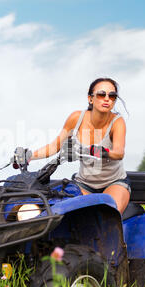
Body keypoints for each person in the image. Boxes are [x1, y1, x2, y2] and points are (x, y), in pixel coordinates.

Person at [14, 77, 130, 215]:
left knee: (108, 215)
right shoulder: (76, 118)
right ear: (90, 98)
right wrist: (28, 156)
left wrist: (95, 150)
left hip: (114, 182)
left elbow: (118, 152)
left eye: (112, 96)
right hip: (84, 184)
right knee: (71, 218)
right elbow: (55, 146)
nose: (107, 98)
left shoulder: (117, 121)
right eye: (101, 94)